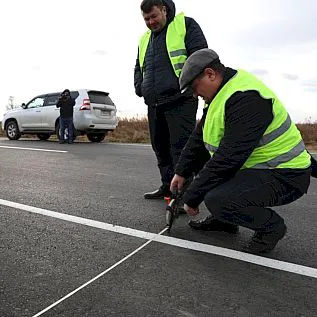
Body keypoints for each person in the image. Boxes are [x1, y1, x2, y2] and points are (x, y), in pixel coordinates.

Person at [170, 48, 312, 254]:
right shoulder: (220, 96)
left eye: (194, 86)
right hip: (261, 168)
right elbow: (199, 138)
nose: (194, 94)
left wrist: (192, 197)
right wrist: (181, 172)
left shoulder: (246, 98)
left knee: (217, 197)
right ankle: (224, 221)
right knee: (211, 183)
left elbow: (228, 158)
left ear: (210, 74)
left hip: (287, 174)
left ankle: (271, 228)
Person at [134, 0, 208, 199]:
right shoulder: (145, 38)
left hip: (180, 100)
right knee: (160, 147)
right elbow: (138, 67)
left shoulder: (186, 25)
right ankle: (167, 186)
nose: (150, 22)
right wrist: (140, 88)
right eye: (146, 19)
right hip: (154, 103)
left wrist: (190, 87)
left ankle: (183, 194)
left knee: (181, 148)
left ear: (164, 10)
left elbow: (200, 57)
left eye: (154, 16)